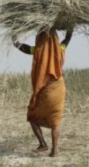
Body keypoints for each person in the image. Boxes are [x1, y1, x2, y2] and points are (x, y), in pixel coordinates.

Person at [14, 27, 73, 157]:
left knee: (32, 116)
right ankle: (55, 150)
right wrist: (71, 26)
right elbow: (67, 39)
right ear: (55, 38)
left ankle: (43, 143)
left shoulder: (38, 50)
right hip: (59, 87)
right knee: (55, 120)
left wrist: (14, 38)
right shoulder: (60, 49)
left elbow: (23, 48)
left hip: (46, 88)